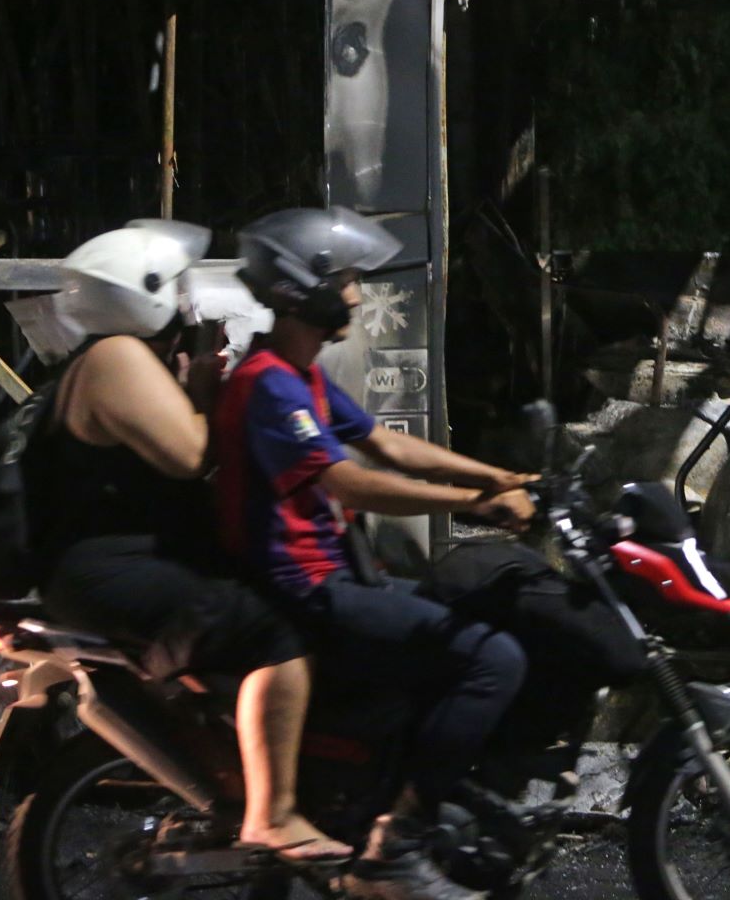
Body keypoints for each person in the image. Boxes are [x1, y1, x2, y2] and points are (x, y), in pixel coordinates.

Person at [216, 206, 537, 900]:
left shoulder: (299, 376)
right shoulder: (267, 384)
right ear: (307, 289)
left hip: (332, 573)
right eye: (349, 280)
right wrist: (476, 504)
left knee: (470, 612)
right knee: (493, 658)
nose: (359, 295)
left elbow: (386, 444)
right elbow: (349, 479)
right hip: (301, 587)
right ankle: (398, 843)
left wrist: (495, 474)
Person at [34, 220, 350, 863]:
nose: (185, 300)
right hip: (108, 569)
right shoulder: (114, 357)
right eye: (175, 287)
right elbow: (191, 456)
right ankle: (275, 814)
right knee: (272, 625)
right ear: (140, 292)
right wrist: (205, 394)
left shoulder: (116, 358)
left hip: (114, 560)